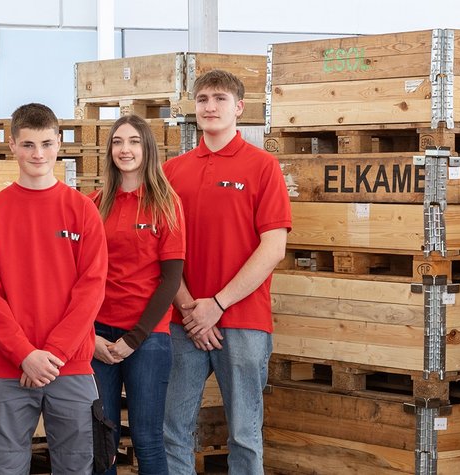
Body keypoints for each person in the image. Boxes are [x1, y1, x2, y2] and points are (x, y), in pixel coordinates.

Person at [161, 70, 292, 475]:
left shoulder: (263, 167)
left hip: (244, 321)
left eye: (219, 98)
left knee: (245, 435)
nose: (210, 106)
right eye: (202, 99)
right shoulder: (171, 172)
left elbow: (273, 248)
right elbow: (161, 252)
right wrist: (190, 310)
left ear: (239, 108)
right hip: (185, 324)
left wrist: (217, 304)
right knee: (174, 433)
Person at [0, 103, 108, 474]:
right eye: (28, 145)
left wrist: (52, 354)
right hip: (8, 370)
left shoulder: (82, 210)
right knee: (5, 469)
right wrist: (24, 354)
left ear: (59, 143)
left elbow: (91, 289)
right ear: (12, 145)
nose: (38, 154)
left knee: (78, 469)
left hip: (72, 367)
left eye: (46, 143)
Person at [89, 114, 185, 475]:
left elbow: (171, 280)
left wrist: (135, 337)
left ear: (147, 149)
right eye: (117, 142)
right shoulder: (95, 204)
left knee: (147, 439)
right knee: (102, 439)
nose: (124, 149)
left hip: (147, 339)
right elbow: (82, 277)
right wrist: (90, 336)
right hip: (98, 337)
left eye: (133, 142)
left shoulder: (166, 204)